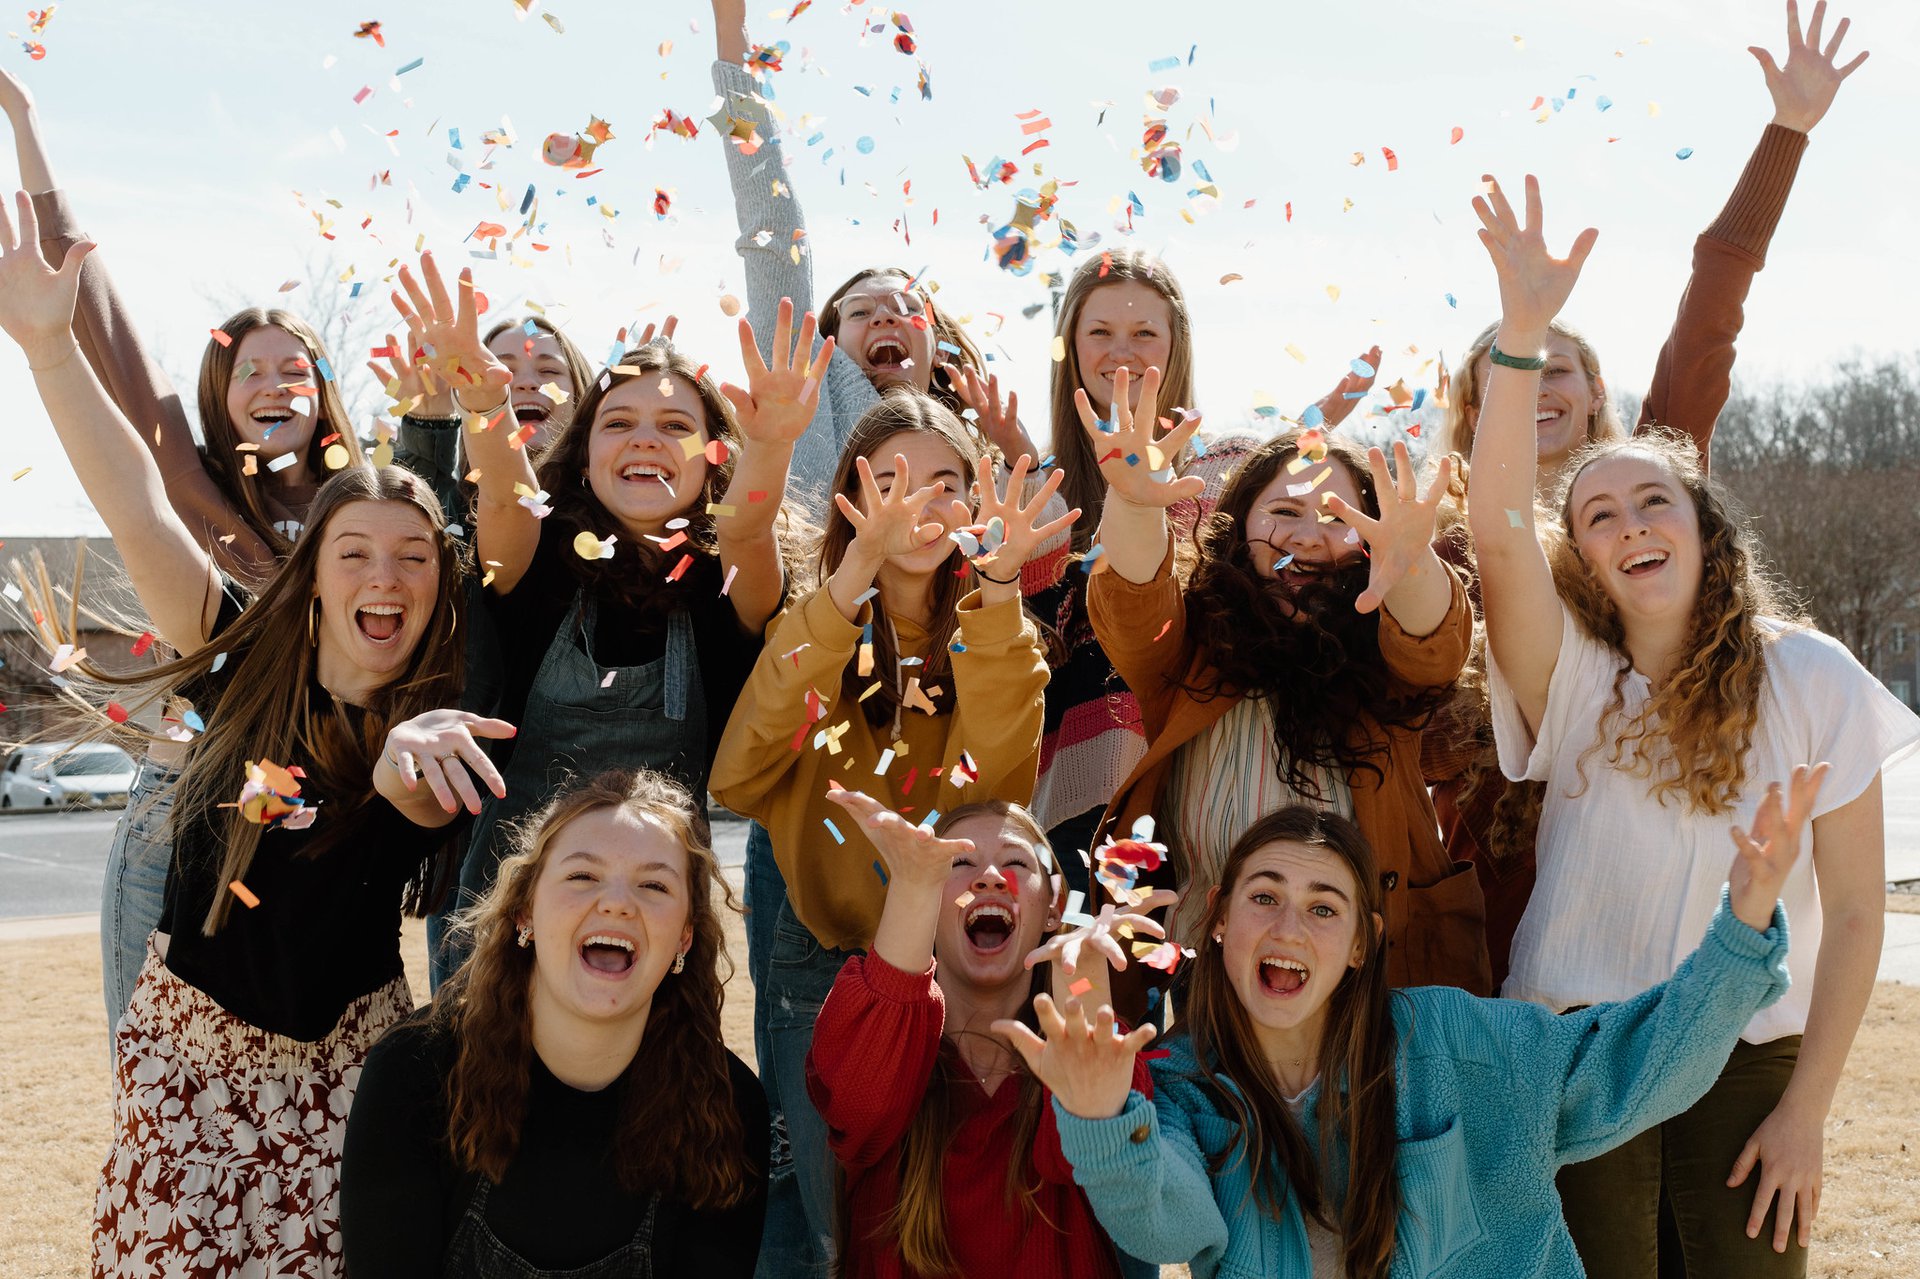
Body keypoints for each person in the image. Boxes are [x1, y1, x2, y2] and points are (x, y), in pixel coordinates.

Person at [1466, 172, 1918, 1274]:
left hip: (1750, 1062)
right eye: (1598, 515)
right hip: (1582, 1057)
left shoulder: (1811, 674)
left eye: (1655, 499)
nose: (1630, 523)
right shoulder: (1567, 677)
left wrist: (1808, 1109)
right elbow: (1494, 530)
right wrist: (1522, 338)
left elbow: (1858, 911)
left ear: (1705, 526)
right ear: (1584, 557)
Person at [1424, 0, 1872, 986]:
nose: (1537, 390)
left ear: (1596, 395)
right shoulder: (1451, 548)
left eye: (1559, 370)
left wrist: (1786, 134)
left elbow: (1713, 302)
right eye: (1509, 376)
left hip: (1652, 833)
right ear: (1473, 416)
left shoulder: (1653, 483)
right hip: (1487, 853)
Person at [1017, 786, 1814, 1279]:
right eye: (1264, 896)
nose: (1289, 924)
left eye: (1323, 906)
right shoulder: (1185, 1079)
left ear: (1361, 944)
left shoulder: (1459, 1041)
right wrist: (1099, 1117)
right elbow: (1171, 1221)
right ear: (1219, 921)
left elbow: (1635, 1066)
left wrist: (1742, 925)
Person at [390, 253, 824, 981]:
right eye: (618, 421)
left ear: (716, 456)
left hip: (651, 929)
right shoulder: (540, 561)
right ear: (585, 455)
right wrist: (484, 405)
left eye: (675, 423)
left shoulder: (724, 582)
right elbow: (505, 499)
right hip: (500, 921)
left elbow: (748, 530)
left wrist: (774, 441)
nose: (646, 437)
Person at [710, 392, 1061, 1273]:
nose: (920, 503)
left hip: (964, 968)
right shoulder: (814, 618)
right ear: (848, 500)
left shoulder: (998, 625)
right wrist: (843, 589)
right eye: (892, 480)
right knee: (846, 1231)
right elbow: (739, 773)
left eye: (946, 482)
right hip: (822, 961)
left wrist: (996, 590)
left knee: (948, 1228)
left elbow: (1000, 790)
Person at [1083, 368, 1487, 998]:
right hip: (1201, 984)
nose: (1305, 535)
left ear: (1369, 540)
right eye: (1283, 512)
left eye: (1334, 517)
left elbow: (1433, 644)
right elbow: (1134, 604)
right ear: (1241, 531)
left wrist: (1411, 564)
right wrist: (1134, 504)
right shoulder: (1191, 648)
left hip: (1368, 993)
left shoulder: (1385, 652)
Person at [342, 768, 768, 1277]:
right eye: (582, 875)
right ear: (525, 912)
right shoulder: (415, 1071)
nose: (617, 902)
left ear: (684, 937)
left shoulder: (727, 1106)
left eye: (654, 884)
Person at [808, 790, 1166, 1279]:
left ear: (1054, 908)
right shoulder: (882, 1038)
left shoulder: (1102, 1038)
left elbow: (1110, 1161)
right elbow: (857, 1103)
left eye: (1016, 862)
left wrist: (1081, 982)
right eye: (958, 862)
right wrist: (913, 885)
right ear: (926, 905)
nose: (991, 876)